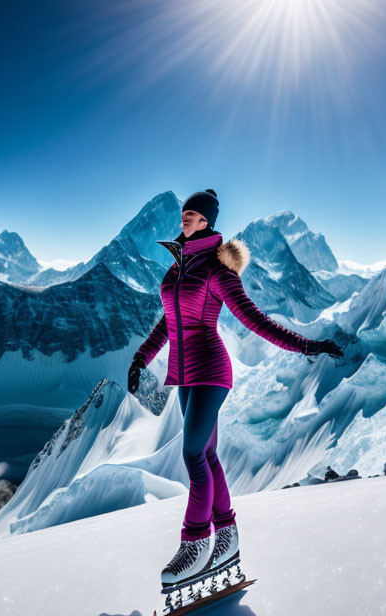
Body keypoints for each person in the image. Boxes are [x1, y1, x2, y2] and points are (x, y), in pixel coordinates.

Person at [127, 188, 344, 586]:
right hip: (184, 372)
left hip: (210, 367)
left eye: (192, 214)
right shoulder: (177, 267)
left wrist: (307, 345)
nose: (184, 218)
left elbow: (255, 320)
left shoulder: (215, 269)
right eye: (184, 213)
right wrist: (142, 357)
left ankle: (195, 544)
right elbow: (168, 323)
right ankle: (227, 537)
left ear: (207, 220)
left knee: (192, 452)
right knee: (207, 455)